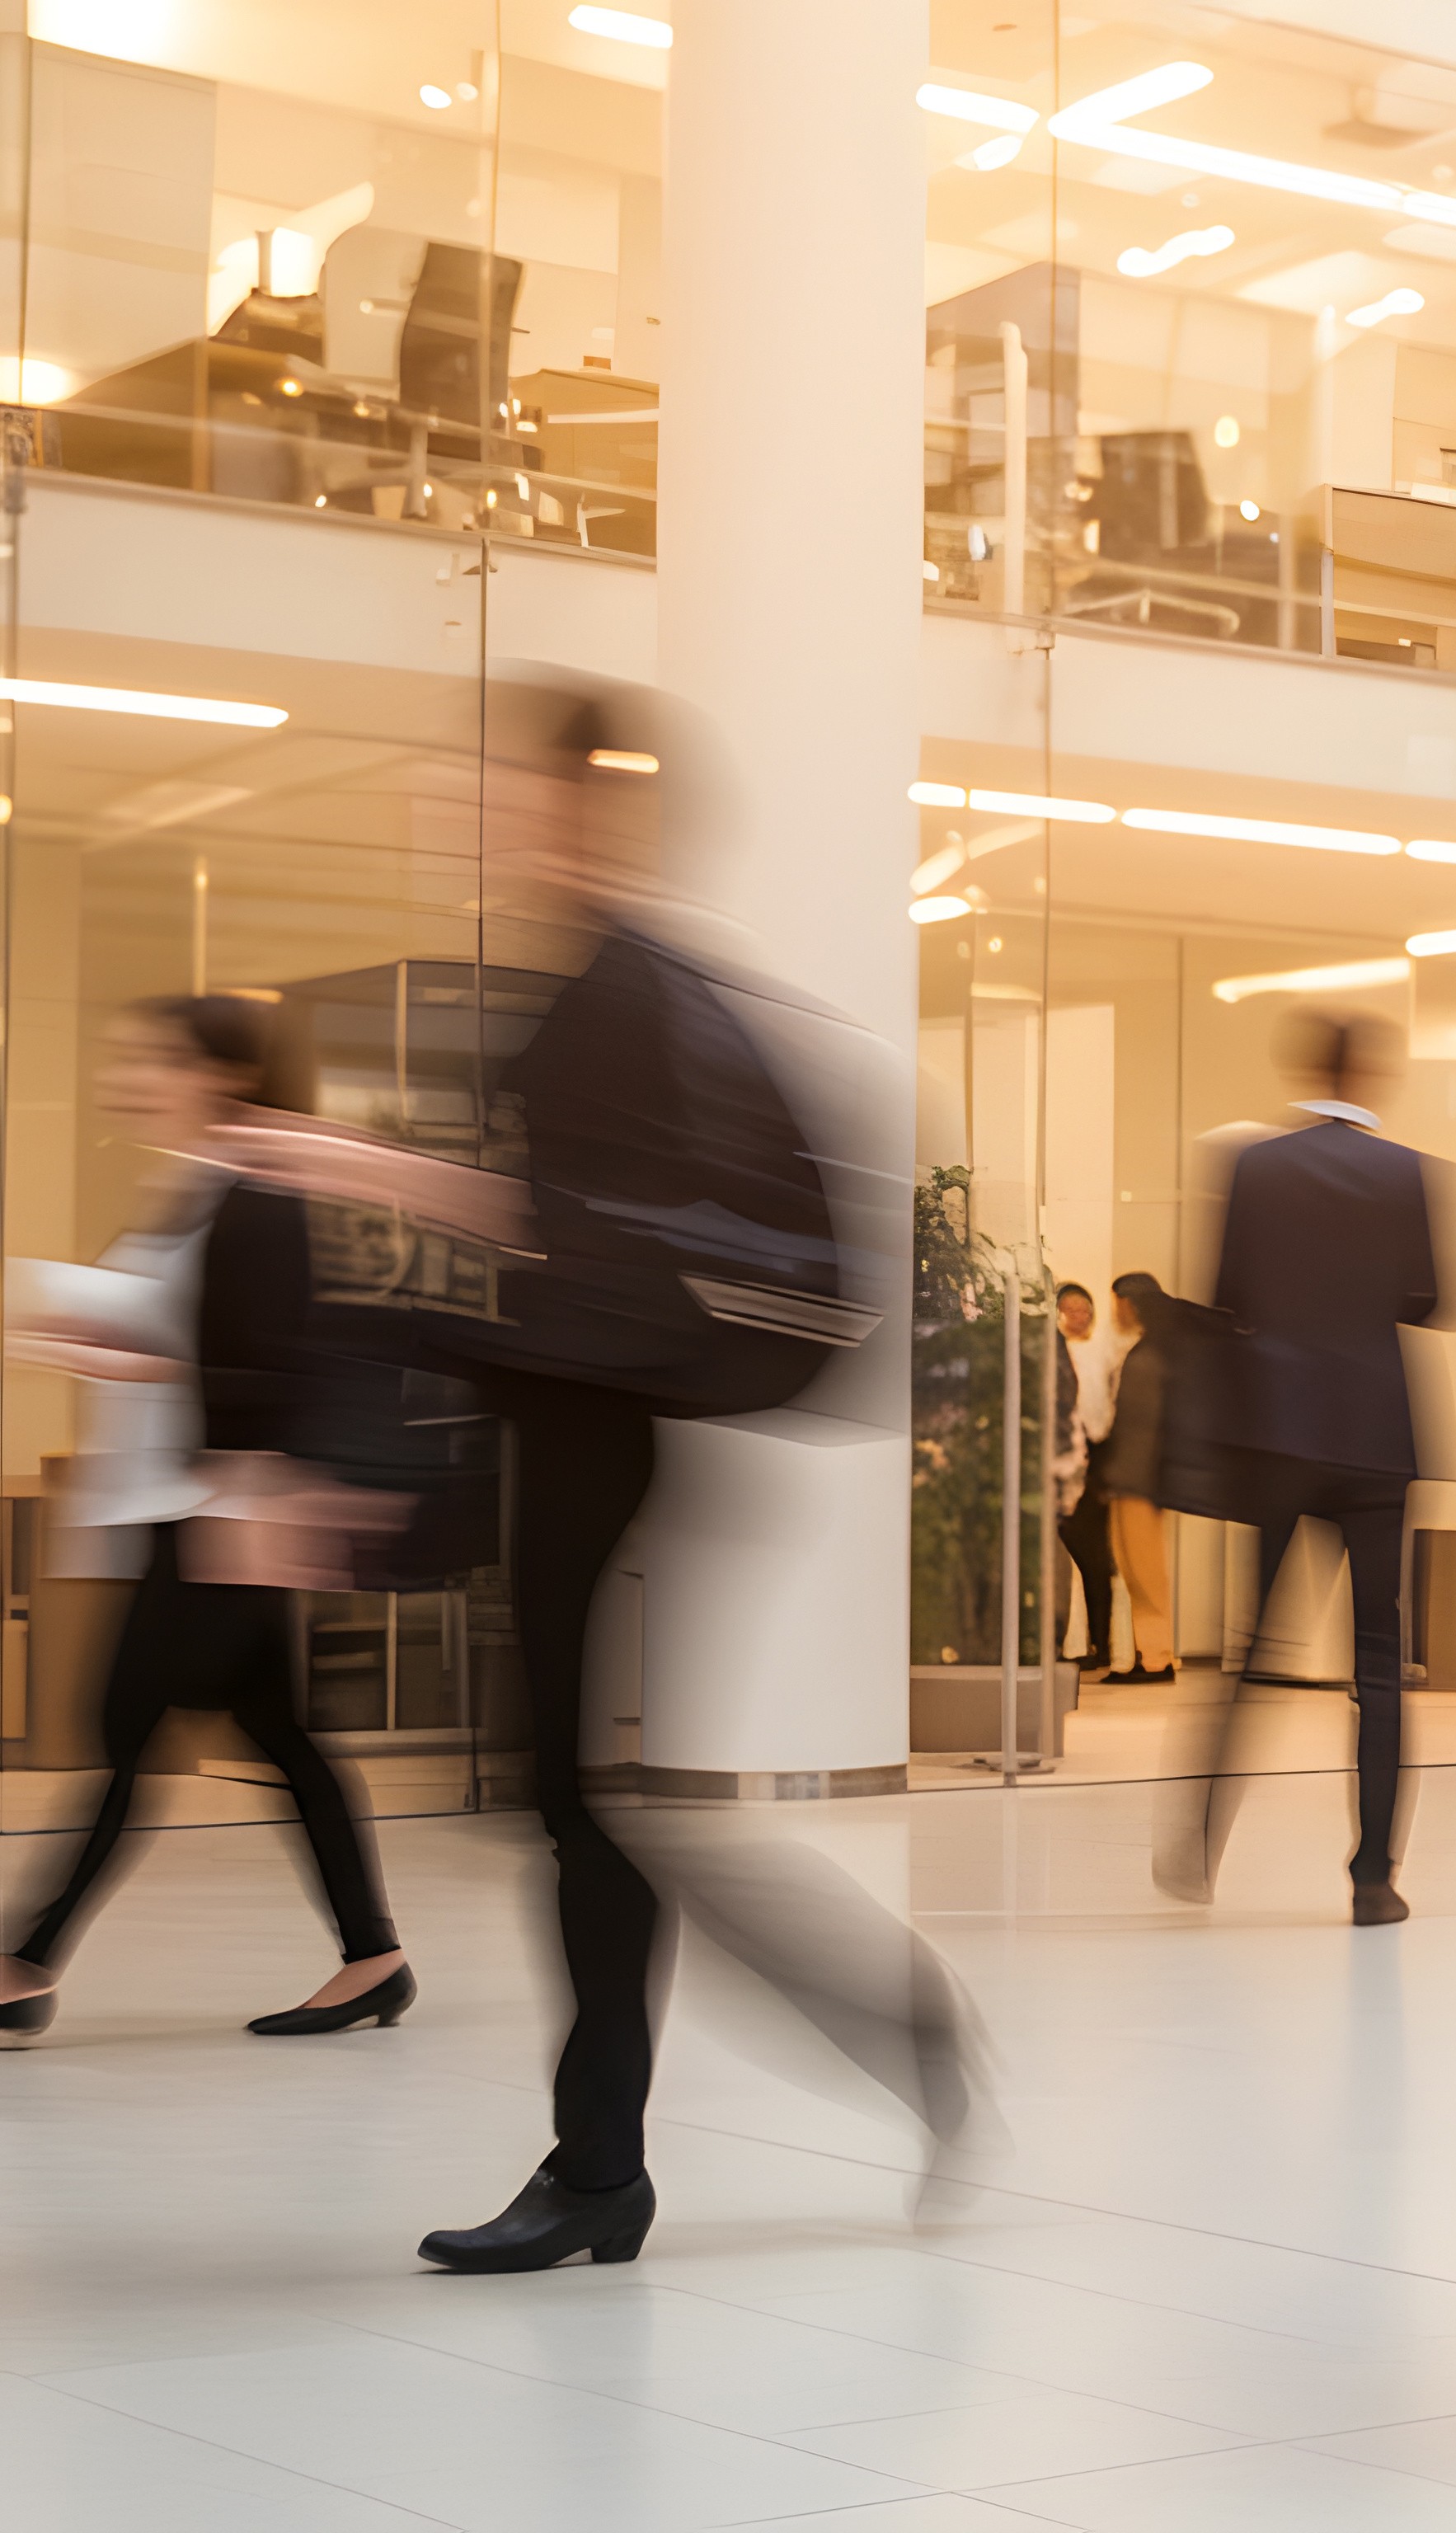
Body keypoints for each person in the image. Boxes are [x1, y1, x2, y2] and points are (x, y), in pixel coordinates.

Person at [384, 683, 975, 2276]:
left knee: (599, 1816)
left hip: (612, 1439)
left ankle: (622, 2159)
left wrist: (360, 1174)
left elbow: (579, 1242)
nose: (469, 805)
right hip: (589, 1429)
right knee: (592, 1815)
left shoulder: (625, 995)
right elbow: (567, 1225)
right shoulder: (601, 988)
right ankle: (613, 2160)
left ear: (580, 803)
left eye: (492, 779)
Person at [0, 999, 415, 2047]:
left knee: (121, 1729)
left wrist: (252, 1488)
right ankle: (374, 1955)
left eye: (154, 1056)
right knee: (280, 1737)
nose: (130, 1071)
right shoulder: (194, 1188)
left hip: (217, 1515)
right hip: (183, 1510)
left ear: (224, 1073)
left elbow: (268, 1356)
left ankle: (24, 1961)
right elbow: (168, 1340)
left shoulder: (257, 1190)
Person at [1167, 1010, 1456, 1924]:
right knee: (1378, 1664)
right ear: (1372, 1074)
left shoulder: (1253, 1167)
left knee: (1253, 1647)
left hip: (1280, 1433)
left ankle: (1199, 1842)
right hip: (1378, 1438)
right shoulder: (1414, 1174)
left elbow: (1221, 1293)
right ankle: (1373, 1878)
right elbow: (1439, 1301)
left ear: (1304, 1066)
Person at [1092, 1272, 1181, 1684]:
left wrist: (1120, 1475)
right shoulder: (1155, 1349)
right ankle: (1154, 1655)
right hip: (1140, 1477)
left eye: (1118, 1304)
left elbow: (1140, 1427)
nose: (1116, 1313)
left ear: (1131, 1302)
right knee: (1136, 1567)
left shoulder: (1150, 1354)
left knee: (1143, 1570)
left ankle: (1158, 1659)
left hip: (1139, 1479)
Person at [1046, 1281, 1120, 1671]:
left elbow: (1105, 1414)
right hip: (1058, 1463)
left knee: (1094, 1558)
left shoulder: (1101, 1353)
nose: (1079, 1315)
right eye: (1071, 1308)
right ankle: (1058, 1642)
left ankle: (1101, 1646)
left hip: (1093, 1462)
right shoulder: (1051, 1351)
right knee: (1060, 1555)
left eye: (1085, 1308)